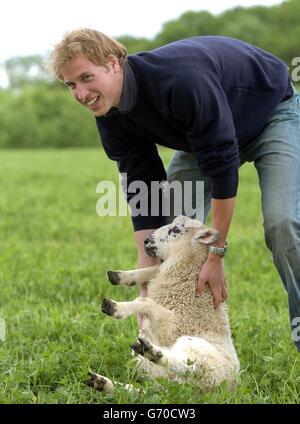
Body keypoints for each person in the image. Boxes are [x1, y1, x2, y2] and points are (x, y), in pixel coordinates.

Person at [49, 28, 300, 351]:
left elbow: (222, 168)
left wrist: (215, 253)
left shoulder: (179, 81)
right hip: (208, 138)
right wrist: (146, 286)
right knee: (173, 230)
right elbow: (145, 193)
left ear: (113, 64)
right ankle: (182, 344)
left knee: (282, 222)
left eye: (86, 78)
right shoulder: (110, 113)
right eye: (71, 85)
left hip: (272, 114)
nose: (81, 93)